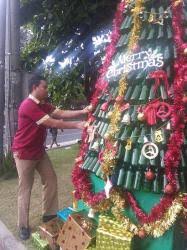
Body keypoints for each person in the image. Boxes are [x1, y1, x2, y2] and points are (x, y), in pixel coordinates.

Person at [12, 75, 89, 240]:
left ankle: (48, 215)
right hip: (24, 153)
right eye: (44, 87)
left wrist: (82, 111)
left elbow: (60, 112)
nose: (47, 90)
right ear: (35, 87)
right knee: (25, 188)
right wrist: (77, 124)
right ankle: (23, 226)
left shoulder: (42, 104)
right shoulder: (28, 106)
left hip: (39, 151)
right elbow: (53, 123)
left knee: (51, 179)